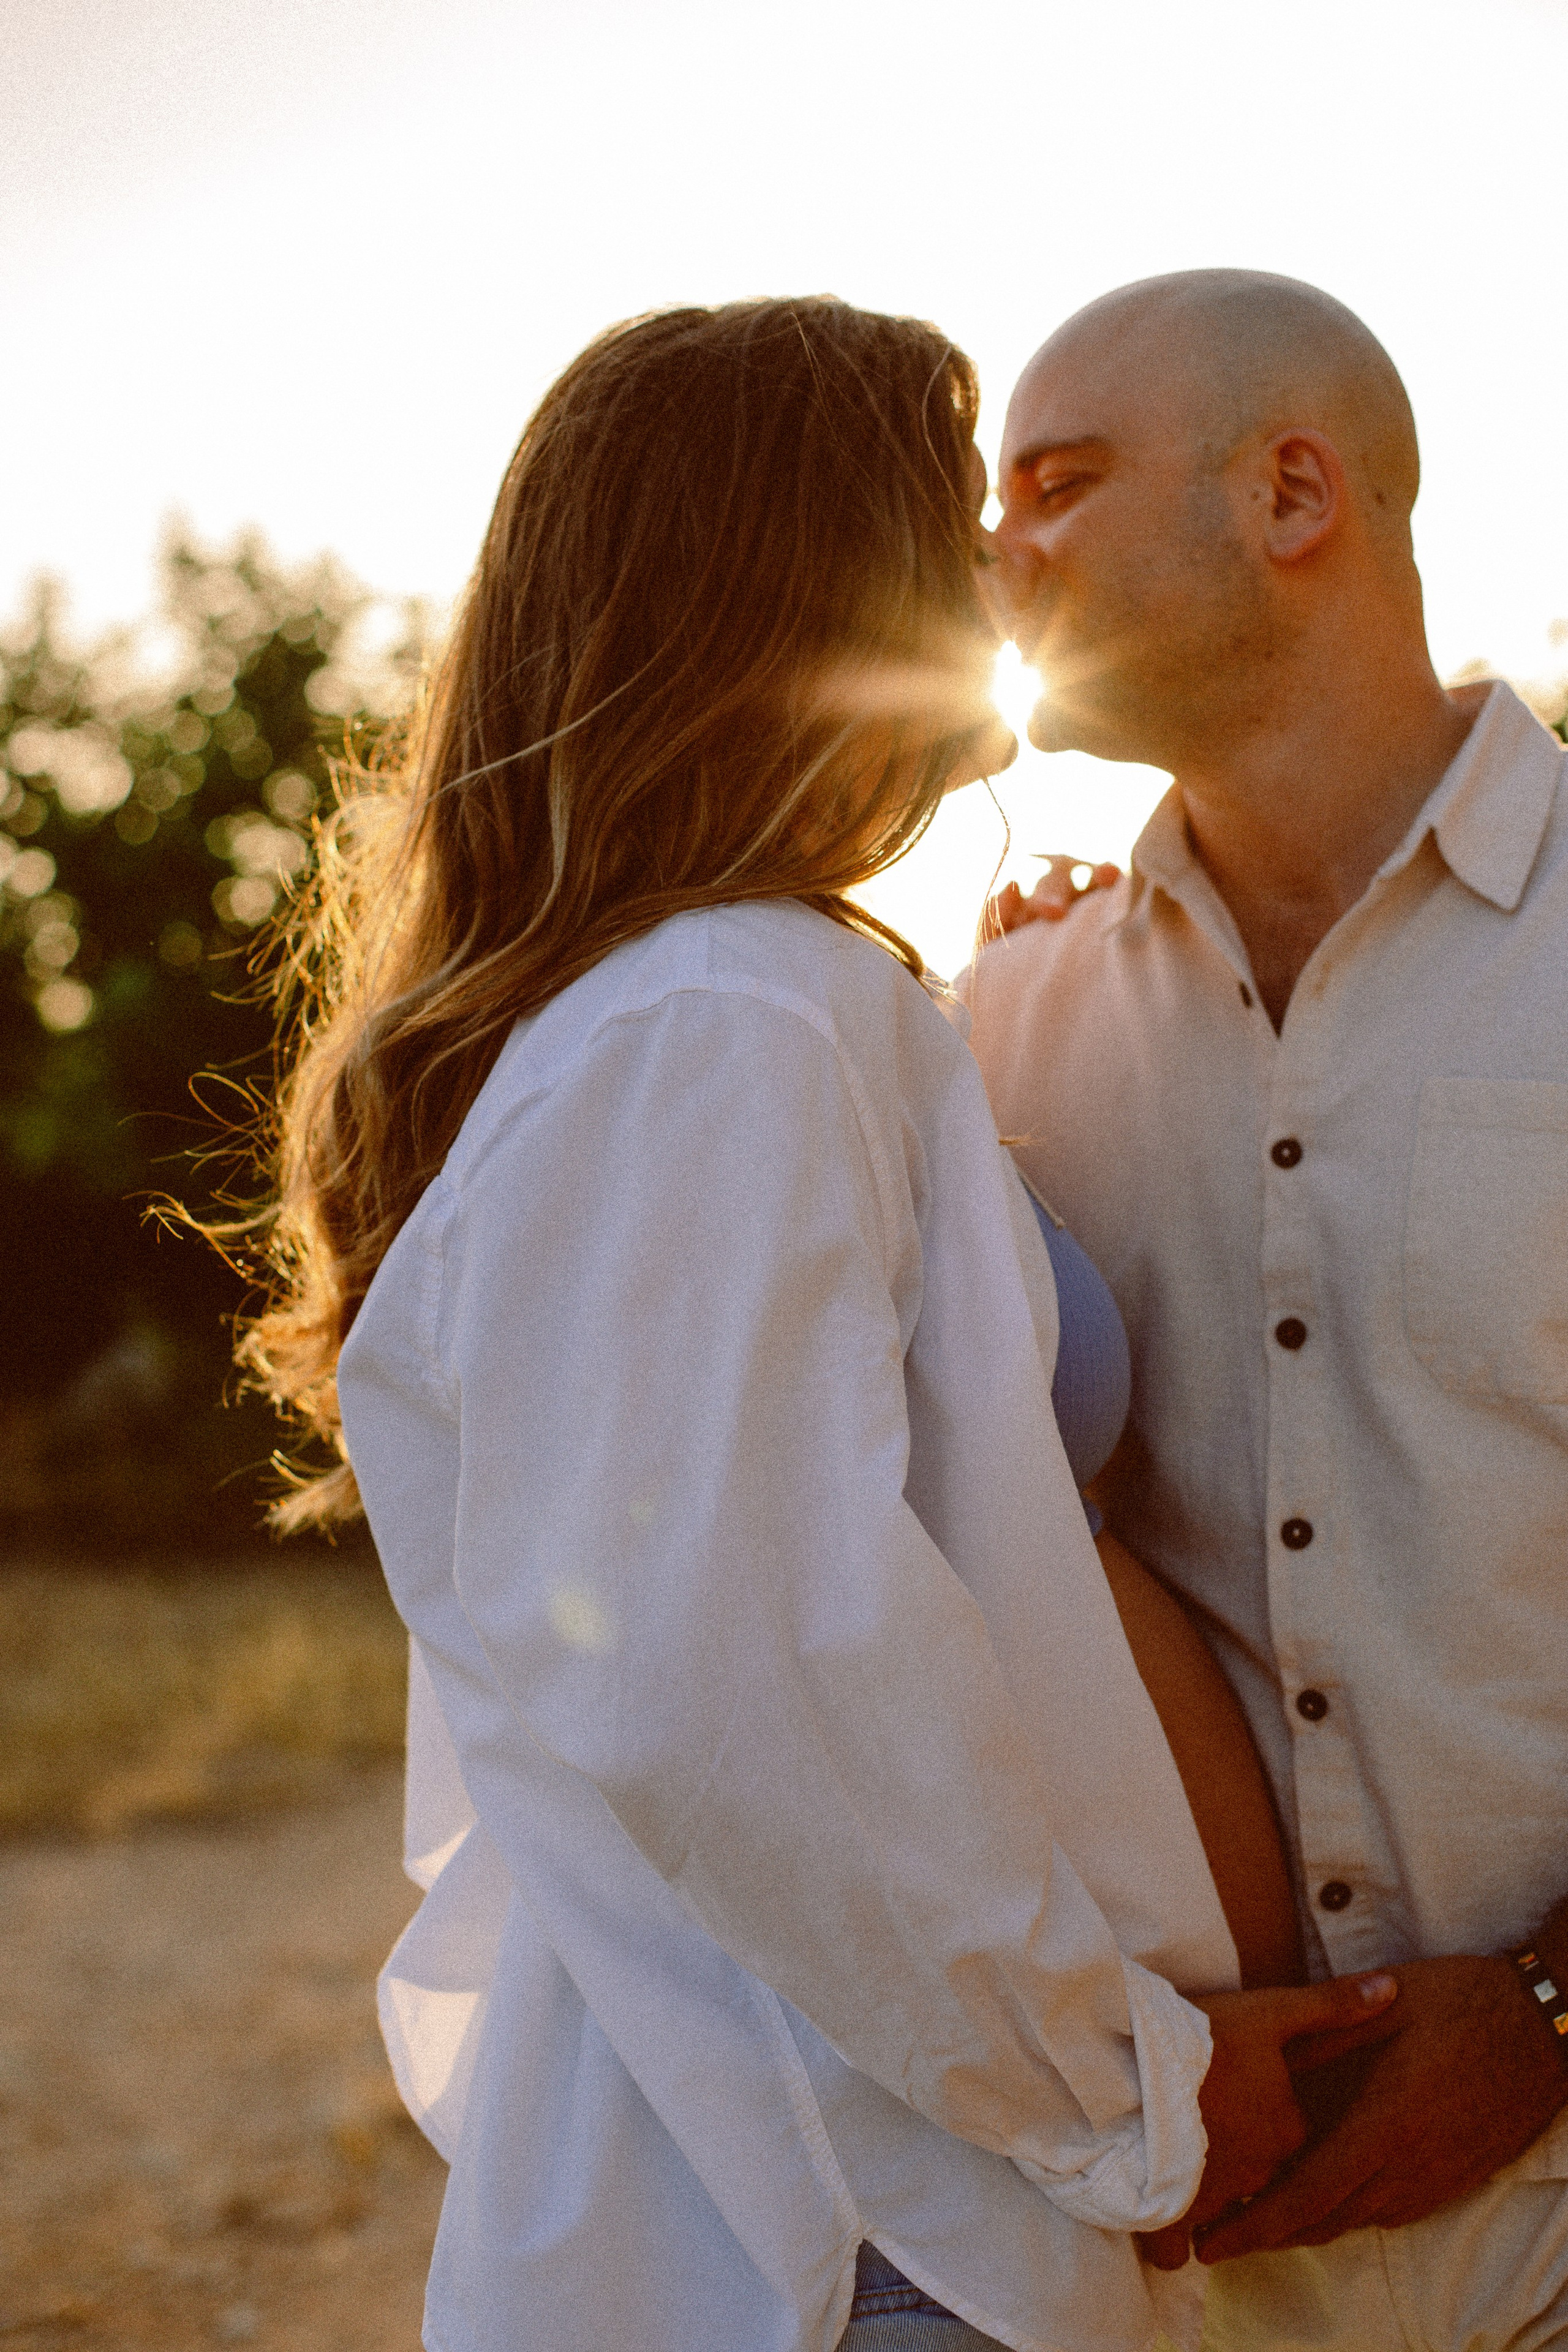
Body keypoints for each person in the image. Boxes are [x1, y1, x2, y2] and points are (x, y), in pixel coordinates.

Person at [227, 297, 1394, 2352]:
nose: (1000, 573)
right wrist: (1128, 2094)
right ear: (807, 579)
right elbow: (734, 1672)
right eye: (953, 517)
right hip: (851, 2230)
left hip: (900, 2199)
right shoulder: (722, 1018)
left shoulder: (738, 1012)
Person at [965, 268, 1568, 2350]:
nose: (990, 552)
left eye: (1055, 485)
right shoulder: (994, 1031)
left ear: (1292, 491)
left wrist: (1555, 2005)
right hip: (1197, 2253)